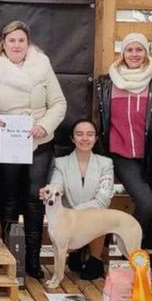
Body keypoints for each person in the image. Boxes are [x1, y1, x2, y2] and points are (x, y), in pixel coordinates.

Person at [0, 20, 66, 279]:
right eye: (11, 40)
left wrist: (44, 126)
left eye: (21, 40)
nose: (16, 45)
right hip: (6, 143)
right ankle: (12, 260)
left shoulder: (43, 67)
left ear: (28, 43)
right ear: (3, 44)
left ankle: (33, 261)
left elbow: (58, 103)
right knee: (9, 201)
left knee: (35, 201)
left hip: (38, 143)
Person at [97, 32, 152, 277]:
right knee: (146, 202)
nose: (134, 54)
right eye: (130, 50)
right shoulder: (107, 82)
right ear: (123, 53)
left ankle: (151, 263)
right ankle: (124, 244)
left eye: (139, 50)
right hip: (120, 152)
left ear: (146, 53)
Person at [48, 119, 115, 280]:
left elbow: (104, 197)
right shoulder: (60, 163)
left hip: (91, 219)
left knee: (99, 215)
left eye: (90, 134)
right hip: (70, 224)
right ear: (72, 138)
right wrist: (51, 191)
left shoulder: (106, 163)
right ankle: (76, 251)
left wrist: (78, 212)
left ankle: (95, 258)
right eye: (79, 134)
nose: (85, 138)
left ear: (96, 138)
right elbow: (56, 186)